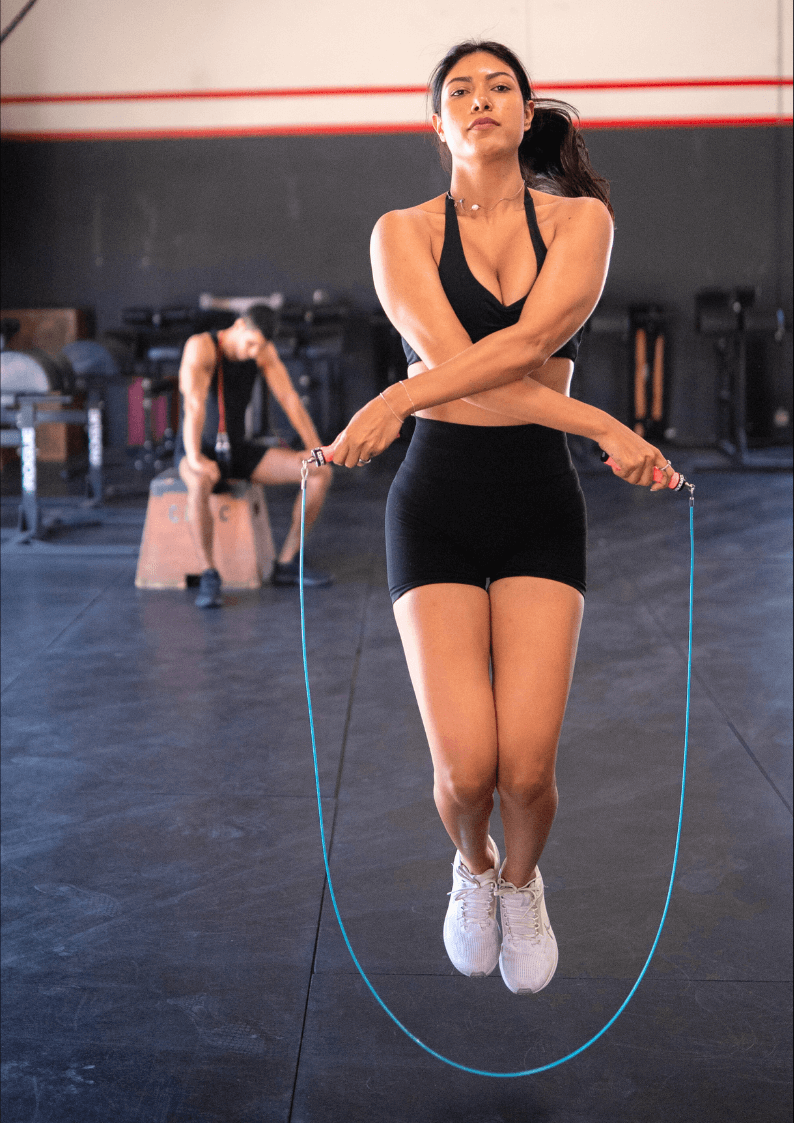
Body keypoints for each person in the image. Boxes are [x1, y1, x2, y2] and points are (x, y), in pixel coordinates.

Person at [328, 41, 678, 995]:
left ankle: (521, 883)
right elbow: (457, 369)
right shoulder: (400, 231)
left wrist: (396, 396)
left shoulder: (582, 221)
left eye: (500, 87)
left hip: (537, 502)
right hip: (434, 502)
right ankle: (473, 865)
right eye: (460, 90)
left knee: (525, 771)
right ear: (436, 123)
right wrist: (603, 422)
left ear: (527, 114)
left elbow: (522, 349)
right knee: (465, 775)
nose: (480, 99)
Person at [174, 304, 332, 607]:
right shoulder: (201, 347)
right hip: (199, 447)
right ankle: (209, 574)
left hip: (236, 449)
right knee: (199, 483)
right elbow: (194, 404)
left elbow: (289, 398)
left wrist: (317, 450)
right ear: (238, 326)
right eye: (250, 344)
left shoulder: (262, 351)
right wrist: (194, 457)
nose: (254, 352)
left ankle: (287, 563)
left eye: (259, 347)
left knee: (319, 473)